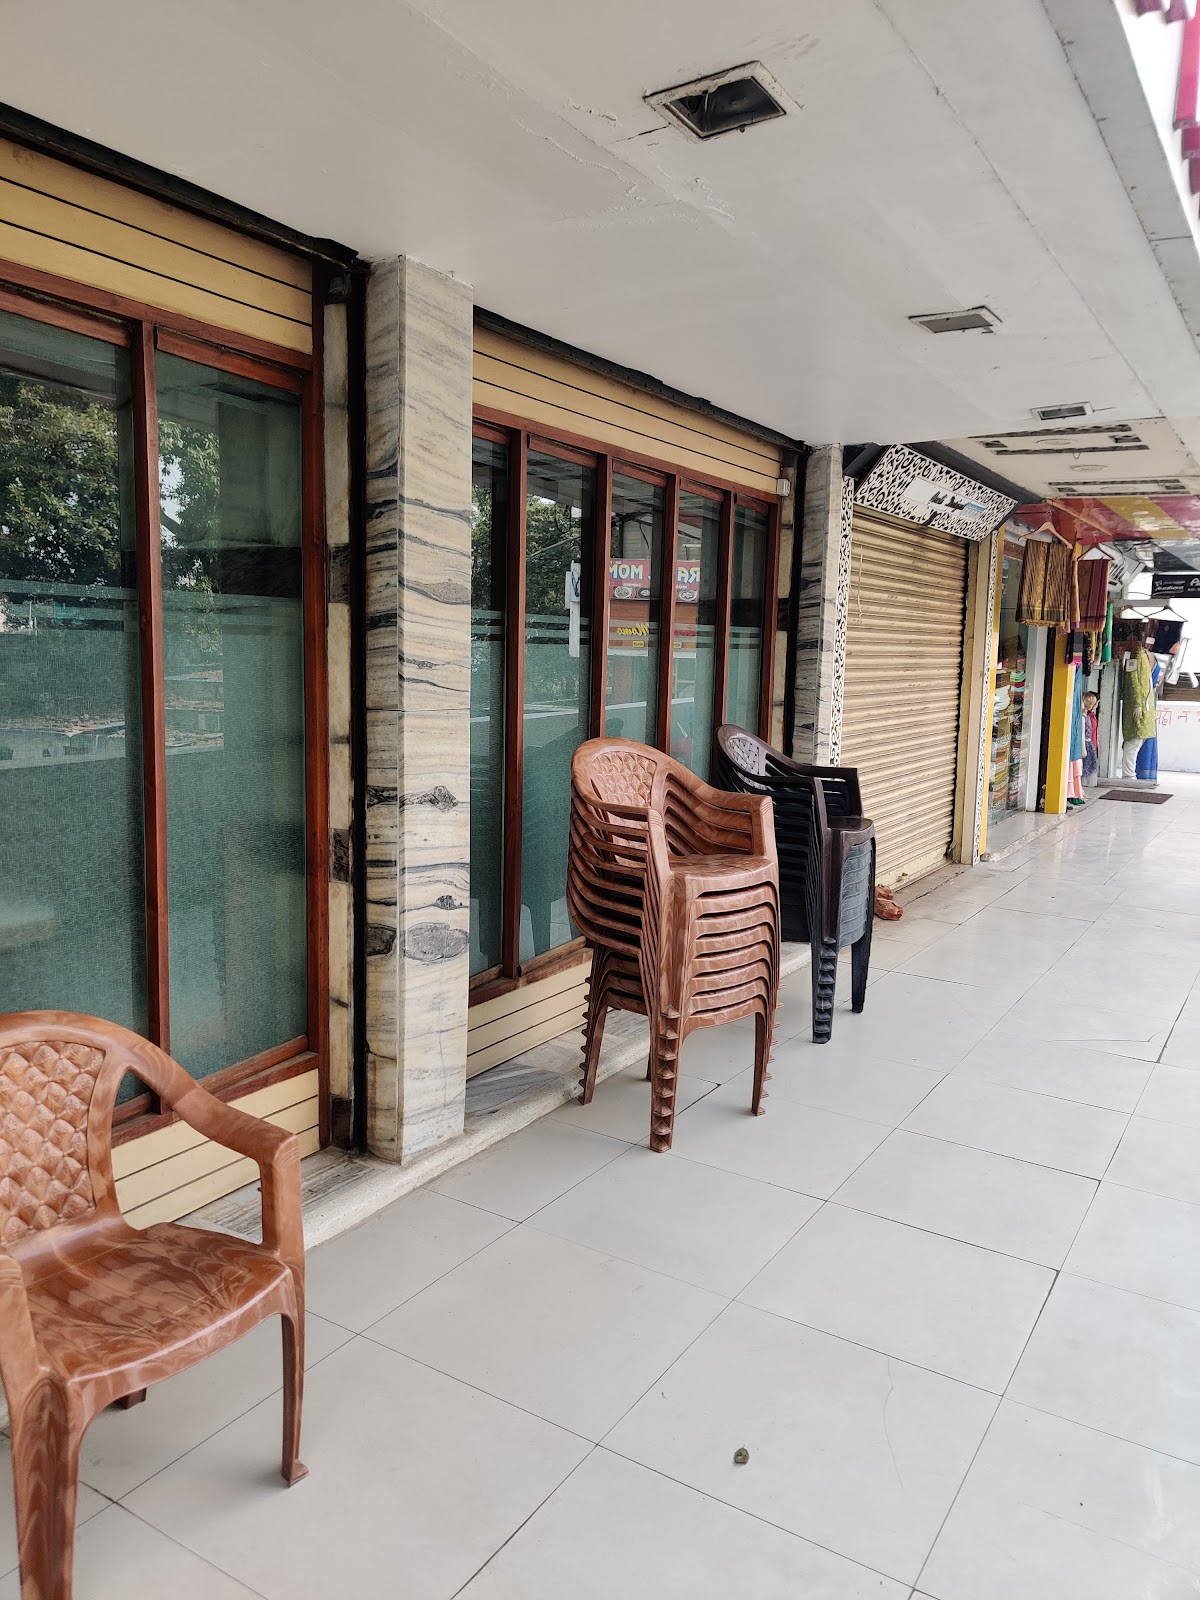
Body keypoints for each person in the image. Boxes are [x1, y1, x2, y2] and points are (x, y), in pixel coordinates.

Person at [1121, 630, 1157, 778]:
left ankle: (1129, 773)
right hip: (1138, 704)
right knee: (1134, 740)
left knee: (1140, 738)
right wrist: (1137, 703)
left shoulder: (1144, 655)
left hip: (1145, 703)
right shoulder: (1135, 656)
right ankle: (1128, 774)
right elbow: (1133, 680)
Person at [1081, 690, 1099, 787]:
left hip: (1090, 744)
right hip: (1087, 744)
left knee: (1089, 765)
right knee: (1086, 765)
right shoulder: (1086, 717)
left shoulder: (1090, 717)